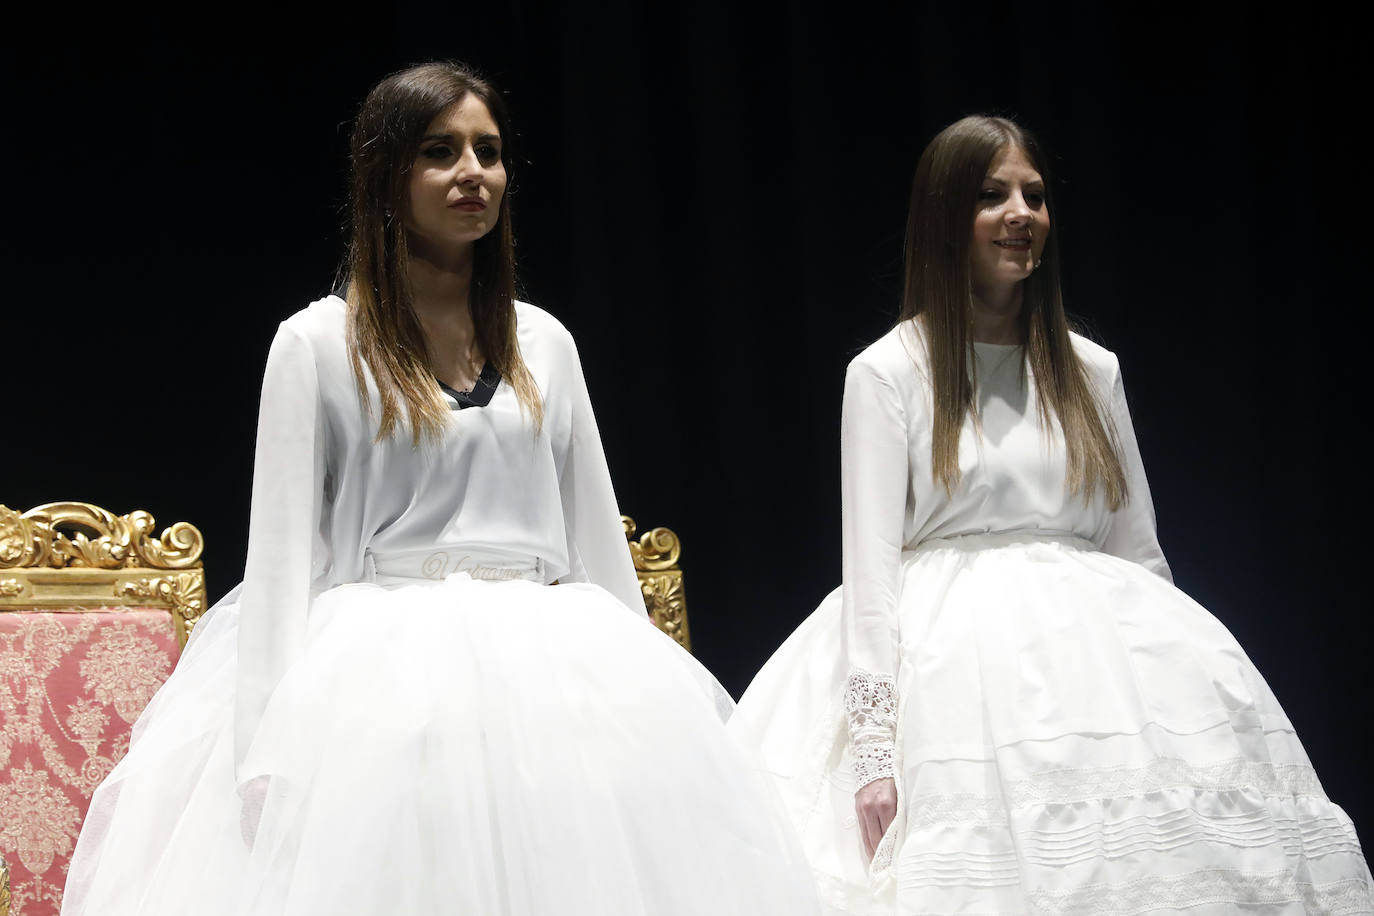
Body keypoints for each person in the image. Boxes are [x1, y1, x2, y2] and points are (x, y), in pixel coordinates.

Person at [61, 61, 820, 916]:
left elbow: (598, 545)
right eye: (440, 151)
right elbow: (277, 567)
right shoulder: (317, 344)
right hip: (381, 680)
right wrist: (260, 753)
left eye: (488, 152)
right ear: (388, 175)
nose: (473, 173)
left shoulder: (546, 343)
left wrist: (655, 717)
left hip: (554, 672)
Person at [729, 115, 1373, 915]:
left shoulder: (1092, 372)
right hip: (948, 681)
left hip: (1090, 670)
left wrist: (1183, 702)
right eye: (992, 195)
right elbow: (871, 577)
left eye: (1034, 195)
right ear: (944, 216)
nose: (1020, 213)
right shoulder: (888, 372)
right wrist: (872, 753)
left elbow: (1141, 557)